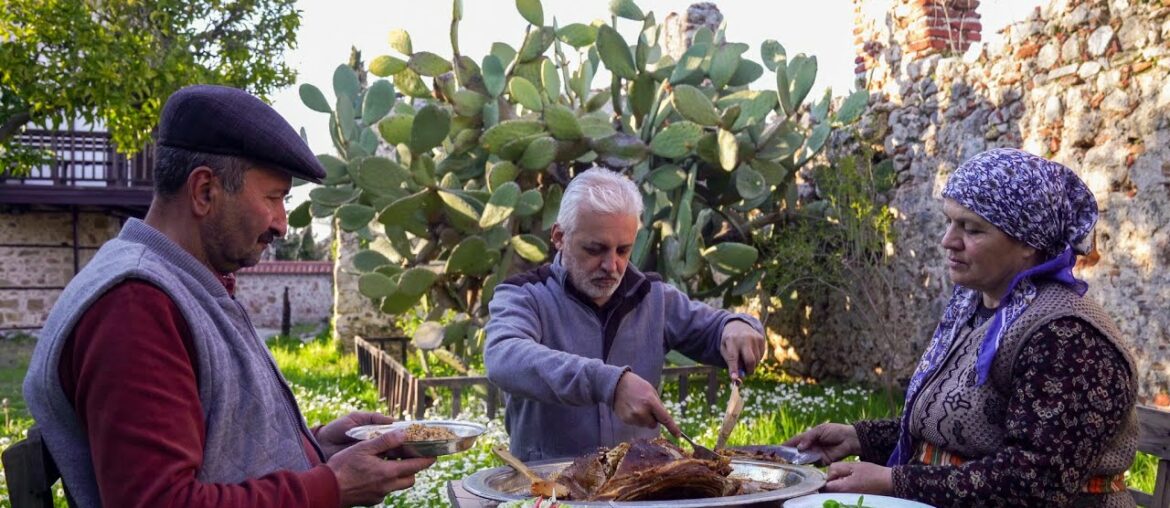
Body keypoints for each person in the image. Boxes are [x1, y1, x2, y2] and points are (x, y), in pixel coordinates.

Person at [23, 85, 434, 507]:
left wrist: (317, 449)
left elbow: (214, 453)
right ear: (204, 191)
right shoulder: (134, 305)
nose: (282, 224)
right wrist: (331, 486)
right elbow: (160, 502)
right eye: (273, 198)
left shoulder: (185, 284)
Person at [785, 148, 1138, 507]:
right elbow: (961, 427)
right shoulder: (980, 308)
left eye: (972, 229)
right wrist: (859, 438)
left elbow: (1035, 481)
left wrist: (894, 480)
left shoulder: (1067, 337)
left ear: (1028, 244)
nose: (948, 240)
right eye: (950, 222)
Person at [484, 167, 767, 461]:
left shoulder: (653, 296)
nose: (612, 265)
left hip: (642, 490)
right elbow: (503, 357)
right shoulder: (523, 295)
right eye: (595, 249)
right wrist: (609, 384)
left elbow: (715, 328)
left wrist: (736, 325)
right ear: (559, 237)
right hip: (548, 492)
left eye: (623, 250)